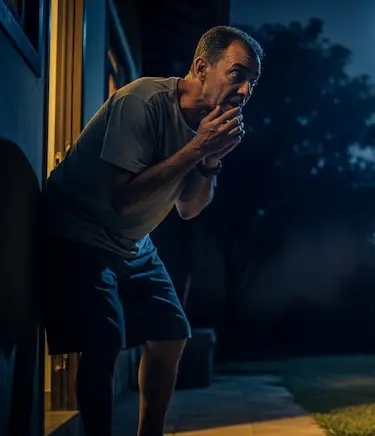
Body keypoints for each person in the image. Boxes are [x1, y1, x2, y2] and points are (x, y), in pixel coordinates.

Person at [42, 26, 262, 436]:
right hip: (79, 229)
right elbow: (122, 198)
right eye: (237, 74)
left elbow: (190, 209)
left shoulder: (208, 125)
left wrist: (210, 160)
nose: (246, 90)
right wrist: (197, 148)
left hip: (132, 243)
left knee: (172, 334)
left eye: (253, 81)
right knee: (104, 340)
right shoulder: (141, 101)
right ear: (202, 67)